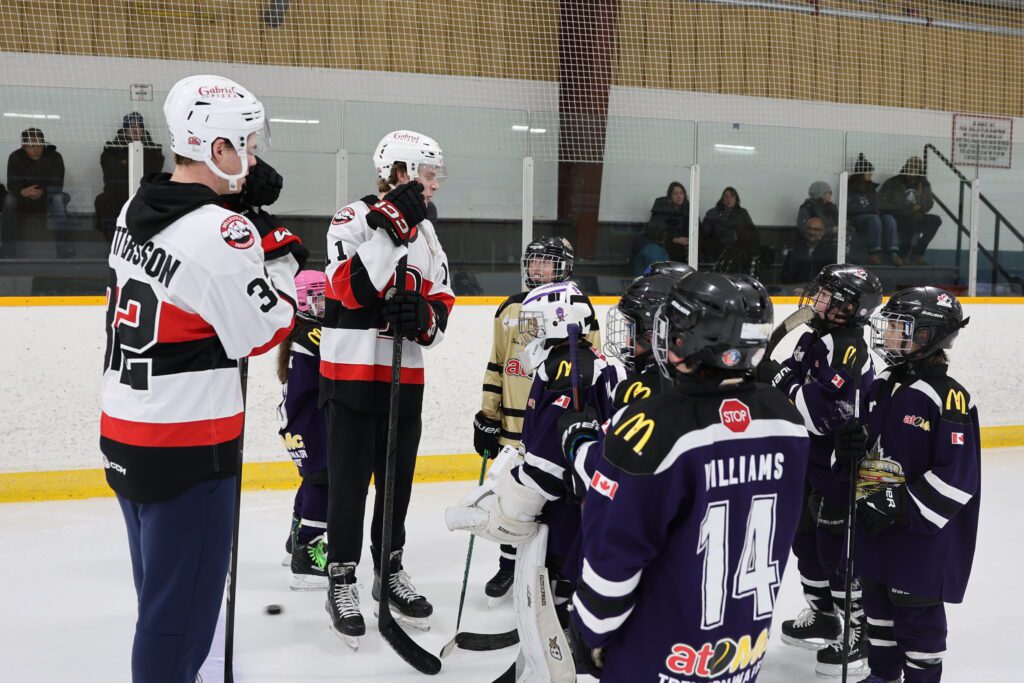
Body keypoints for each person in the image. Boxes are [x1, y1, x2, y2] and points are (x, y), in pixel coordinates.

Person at [101, 74, 303, 683]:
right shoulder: (221, 233)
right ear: (218, 148)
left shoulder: (134, 207)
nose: (254, 158)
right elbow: (265, 329)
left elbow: (190, 283)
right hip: (188, 450)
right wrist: (278, 256)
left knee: (159, 600)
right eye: (247, 146)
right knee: (178, 625)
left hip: (126, 432)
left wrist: (230, 212)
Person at [567, 272, 810, 682]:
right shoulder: (786, 418)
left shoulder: (652, 428)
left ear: (685, 343)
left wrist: (587, 630)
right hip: (740, 657)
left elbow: (614, 556)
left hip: (656, 659)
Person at [320, 129, 454, 648]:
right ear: (399, 172)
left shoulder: (430, 236)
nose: (435, 184)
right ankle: (341, 577)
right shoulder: (351, 219)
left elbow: (442, 305)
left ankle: (389, 569)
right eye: (428, 174)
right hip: (350, 376)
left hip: (405, 380)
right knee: (349, 485)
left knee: (397, 487)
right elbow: (347, 290)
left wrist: (423, 317)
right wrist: (390, 232)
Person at [448, 280, 618, 680]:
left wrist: (507, 511)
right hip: (577, 503)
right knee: (557, 588)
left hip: (570, 511)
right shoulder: (572, 360)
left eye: (534, 323)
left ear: (559, 321)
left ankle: (562, 661)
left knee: (557, 590)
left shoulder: (569, 370)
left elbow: (549, 465)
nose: (528, 333)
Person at [841, 287, 978, 683]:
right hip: (874, 527)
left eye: (899, 327)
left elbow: (958, 477)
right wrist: (846, 448)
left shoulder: (948, 397)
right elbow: (870, 446)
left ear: (927, 335)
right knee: (877, 611)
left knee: (917, 620)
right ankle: (882, 676)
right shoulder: (883, 383)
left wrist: (900, 504)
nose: (887, 335)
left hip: (919, 539)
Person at [757, 264, 883, 678]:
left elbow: (824, 413)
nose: (818, 300)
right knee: (805, 539)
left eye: (828, 296)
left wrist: (779, 381)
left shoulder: (848, 347)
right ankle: (824, 615)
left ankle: (859, 629)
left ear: (850, 308)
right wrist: (777, 380)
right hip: (809, 460)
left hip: (840, 467)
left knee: (835, 548)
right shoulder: (814, 336)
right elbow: (792, 386)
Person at [472, 236, 601, 603]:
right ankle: (508, 564)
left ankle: (549, 569)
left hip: (553, 426)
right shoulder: (510, 308)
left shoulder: (578, 307)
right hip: (514, 429)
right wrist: (487, 415)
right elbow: (497, 364)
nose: (538, 268)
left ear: (564, 268)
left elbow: (592, 363)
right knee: (512, 501)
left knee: (552, 503)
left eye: (547, 262)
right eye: (534, 261)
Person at [275, 270, 331, 590]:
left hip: (300, 422)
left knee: (313, 480)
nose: (325, 303)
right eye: (319, 297)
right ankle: (307, 557)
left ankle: (296, 541)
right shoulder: (313, 334)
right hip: (310, 422)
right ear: (304, 301)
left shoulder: (299, 330)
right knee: (323, 481)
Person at [94, 112, 165, 242]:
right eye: (132, 126)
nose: (136, 130)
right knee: (103, 201)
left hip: (144, 195)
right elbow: (111, 173)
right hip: (116, 194)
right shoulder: (112, 149)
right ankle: (114, 243)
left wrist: (127, 163)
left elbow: (152, 172)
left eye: (139, 126)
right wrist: (134, 164)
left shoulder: (153, 149)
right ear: (125, 129)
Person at [2, 127, 71, 258]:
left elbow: (58, 184)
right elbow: (12, 184)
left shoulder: (55, 157)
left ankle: (63, 246)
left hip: (47, 197)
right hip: (23, 199)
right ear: (23, 146)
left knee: (58, 199)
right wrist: (22, 191)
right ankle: (8, 248)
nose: (36, 149)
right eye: (31, 146)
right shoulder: (15, 157)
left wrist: (43, 191)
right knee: (9, 200)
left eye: (39, 145)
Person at [879, 156, 942, 265]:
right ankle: (903, 255)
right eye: (910, 165)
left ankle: (918, 253)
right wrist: (904, 207)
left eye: (915, 167)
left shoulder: (924, 183)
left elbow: (929, 202)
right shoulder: (893, 182)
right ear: (905, 166)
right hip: (897, 215)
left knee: (936, 220)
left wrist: (921, 207)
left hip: (916, 215)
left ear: (919, 170)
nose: (912, 168)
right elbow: (881, 201)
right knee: (909, 220)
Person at [848, 154, 901, 266]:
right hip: (857, 219)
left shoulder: (871, 188)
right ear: (861, 172)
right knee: (874, 219)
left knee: (889, 218)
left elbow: (877, 205)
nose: (871, 174)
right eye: (868, 172)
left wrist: (879, 209)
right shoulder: (849, 187)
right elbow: (850, 207)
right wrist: (869, 210)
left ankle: (894, 253)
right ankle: (875, 253)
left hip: (873, 215)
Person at [701, 186, 759, 275]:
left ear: (736, 199)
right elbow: (705, 232)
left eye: (732, 197)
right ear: (722, 198)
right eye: (726, 196)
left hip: (739, 246)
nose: (729, 199)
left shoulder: (742, 213)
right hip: (718, 246)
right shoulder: (713, 213)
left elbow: (751, 231)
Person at [780, 216, 835, 286]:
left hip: (820, 291)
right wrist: (795, 288)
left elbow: (831, 277)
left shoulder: (829, 252)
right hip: (797, 290)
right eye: (809, 228)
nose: (812, 232)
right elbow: (785, 275)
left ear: (822, 232)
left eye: (816, 229)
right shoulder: (794, 250)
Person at [650, 181, 690, 262]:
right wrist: (675, 239)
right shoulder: (663, 211)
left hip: (687, 248)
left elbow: (698, 229)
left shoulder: (689, 209)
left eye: (681, 193)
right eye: (675, 194)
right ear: (670, 196)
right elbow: (655, 232)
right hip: (668, 247)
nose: (679, 196)